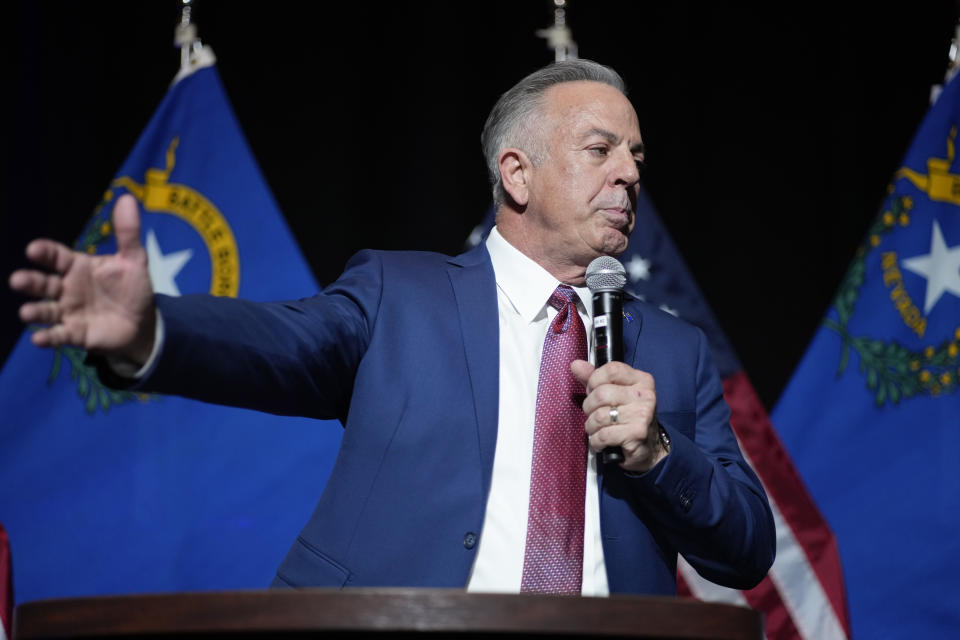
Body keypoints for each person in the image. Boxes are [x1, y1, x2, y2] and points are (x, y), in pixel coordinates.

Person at [9, 59, 775, 595]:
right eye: (602, 150)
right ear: (516, 173)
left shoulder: (675, 351)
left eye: (637, 156)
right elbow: (279, 348)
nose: (631, 175)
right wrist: (152, 331)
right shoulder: (399, 296)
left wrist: (657, 453)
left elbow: (746, 551)